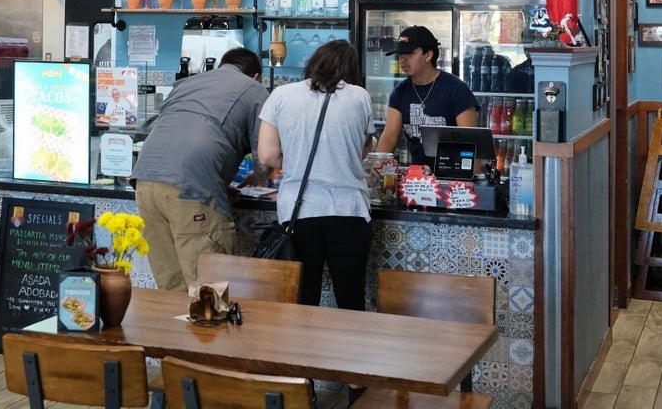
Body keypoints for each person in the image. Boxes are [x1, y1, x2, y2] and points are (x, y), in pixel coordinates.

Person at [132, 47, 267, 291]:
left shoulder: (186, 84)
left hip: (144, 181)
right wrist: (261, 177)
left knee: (172, 290)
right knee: (209, 291)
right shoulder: (254, 89)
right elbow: (265, 154)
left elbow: (181, 133)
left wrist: (216, 185)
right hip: (189, 190)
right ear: (256, 75)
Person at [256, 40, 375, 310]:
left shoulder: (281, 95)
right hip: (349, 210)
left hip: (299, 212)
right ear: (352, 70)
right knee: (350, 298)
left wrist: (296, 160)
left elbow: (267, 157)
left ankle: (299, 351)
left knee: (302, 300)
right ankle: (347, 351)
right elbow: (362, 149)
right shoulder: (359, 96)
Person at [375, 26, 479, 163]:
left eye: (410, 54)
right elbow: (389, 136)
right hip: (418, 178)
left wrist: (472, 180)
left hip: (453, 177)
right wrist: (375, 168)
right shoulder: (400, 92)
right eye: (400, 55)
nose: (403, 60)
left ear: (428, 55)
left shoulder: (456, 90)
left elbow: (471, 142)